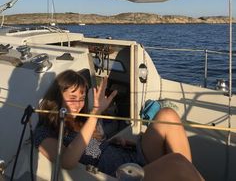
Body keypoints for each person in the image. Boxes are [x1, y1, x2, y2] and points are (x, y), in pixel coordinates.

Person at [34, 69, 204, 181]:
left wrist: (113, 143)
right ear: (57, 97)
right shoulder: (44, 133)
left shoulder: (80, 121)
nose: (78, 103)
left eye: (82, 97)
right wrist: (95, 113)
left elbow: (94, 146)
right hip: (119, 174)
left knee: (167, 115)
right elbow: (67, 161)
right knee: (177, 163)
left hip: (130, 158)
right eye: (72, 97)